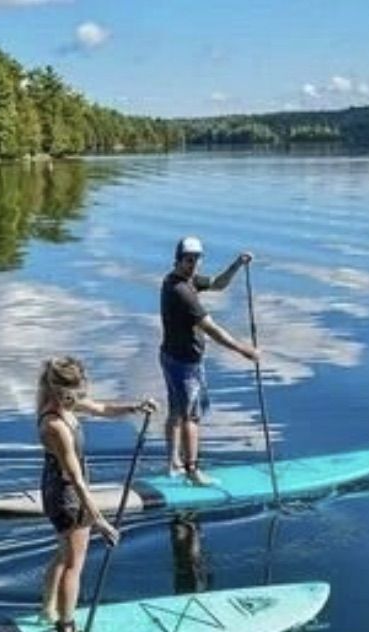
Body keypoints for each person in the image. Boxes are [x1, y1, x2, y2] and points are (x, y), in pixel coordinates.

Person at [37, 355, 157, 632]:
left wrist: (135, 407)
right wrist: (99, 520)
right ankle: (66, 625)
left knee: (63, 554)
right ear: (62, 390)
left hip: (61, 491)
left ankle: (47, 609)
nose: (81, 394)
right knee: (73, 565)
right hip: (67, 496)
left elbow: (102, 408)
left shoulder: (64, 405)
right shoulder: (54, 425)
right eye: (77, 389)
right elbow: (76, 479)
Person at [160, 236, 258, 486]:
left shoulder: (181, 280)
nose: (192, 264)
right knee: (191, 417)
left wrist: (236, 265)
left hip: (172, 357)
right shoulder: (182, 292)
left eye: (196, 259)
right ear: (178, 260)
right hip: (184, 364)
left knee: (176, 412)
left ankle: (173, 462)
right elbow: (211, 329)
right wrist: (243, 349)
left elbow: (218, 284)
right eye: (188, 259)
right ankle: (192, 471)